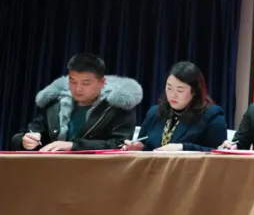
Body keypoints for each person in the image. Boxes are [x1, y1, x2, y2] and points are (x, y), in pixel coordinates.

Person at [12, 53, 142, 152]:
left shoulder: (117, 108)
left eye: (85, 83)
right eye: (73, 81)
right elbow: (27, 133)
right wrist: (25, 141)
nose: (78, 89)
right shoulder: (55, 104)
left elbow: (119, 144)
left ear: (102, 82)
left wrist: (74, 146)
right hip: (52, 171)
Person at [123, 61, 226, 152]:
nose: (172, 95)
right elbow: (147, 146)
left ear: (194, 91)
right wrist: (139, 148)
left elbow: (218, 153)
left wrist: (183, 147)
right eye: (169, 88)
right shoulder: (154, 112)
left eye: (180, 90)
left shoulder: (212, 115)